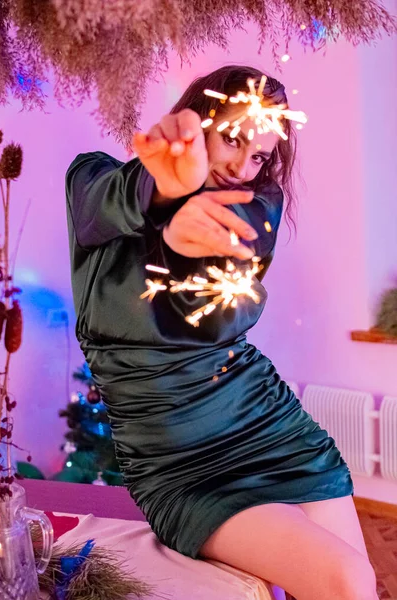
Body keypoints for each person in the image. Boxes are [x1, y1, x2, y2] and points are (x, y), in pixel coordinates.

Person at [65, 65, 378, 600]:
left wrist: (192, 248)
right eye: (233, 140)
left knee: (360, 582)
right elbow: (107, 200)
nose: (242, 165)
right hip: (180, 469)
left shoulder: (260, 204)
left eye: (258, 155)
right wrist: (167, 194)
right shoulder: (93, 179)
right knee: (344, 579)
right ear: (197, 120)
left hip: (273, 430)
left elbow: (210, 303)